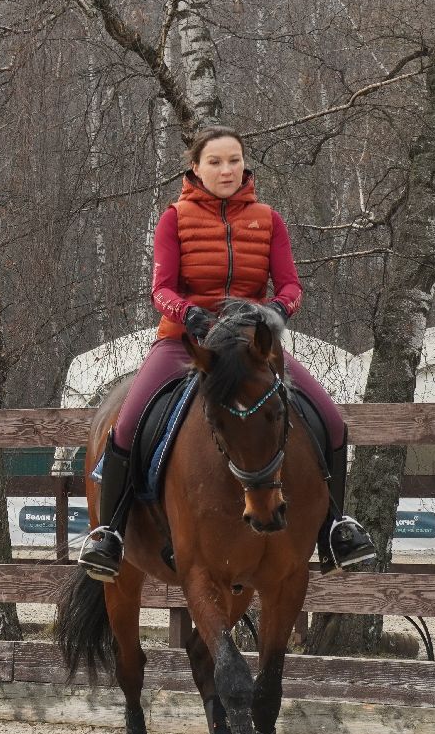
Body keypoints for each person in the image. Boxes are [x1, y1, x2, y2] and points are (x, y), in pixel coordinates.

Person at [79, 126, 377, 581]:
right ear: (195, 168)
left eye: (234, 160)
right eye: (215, 162)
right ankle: (109, 534)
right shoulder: (173, 218)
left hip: (251, 345)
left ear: (244, 165)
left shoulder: (268, 218)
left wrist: (276, 311)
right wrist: (190, 315)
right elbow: (161, 289)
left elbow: (291, 285)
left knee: (332, 421)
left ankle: (334, 527)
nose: (226, 170)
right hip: (187, 343)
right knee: (126, 424)